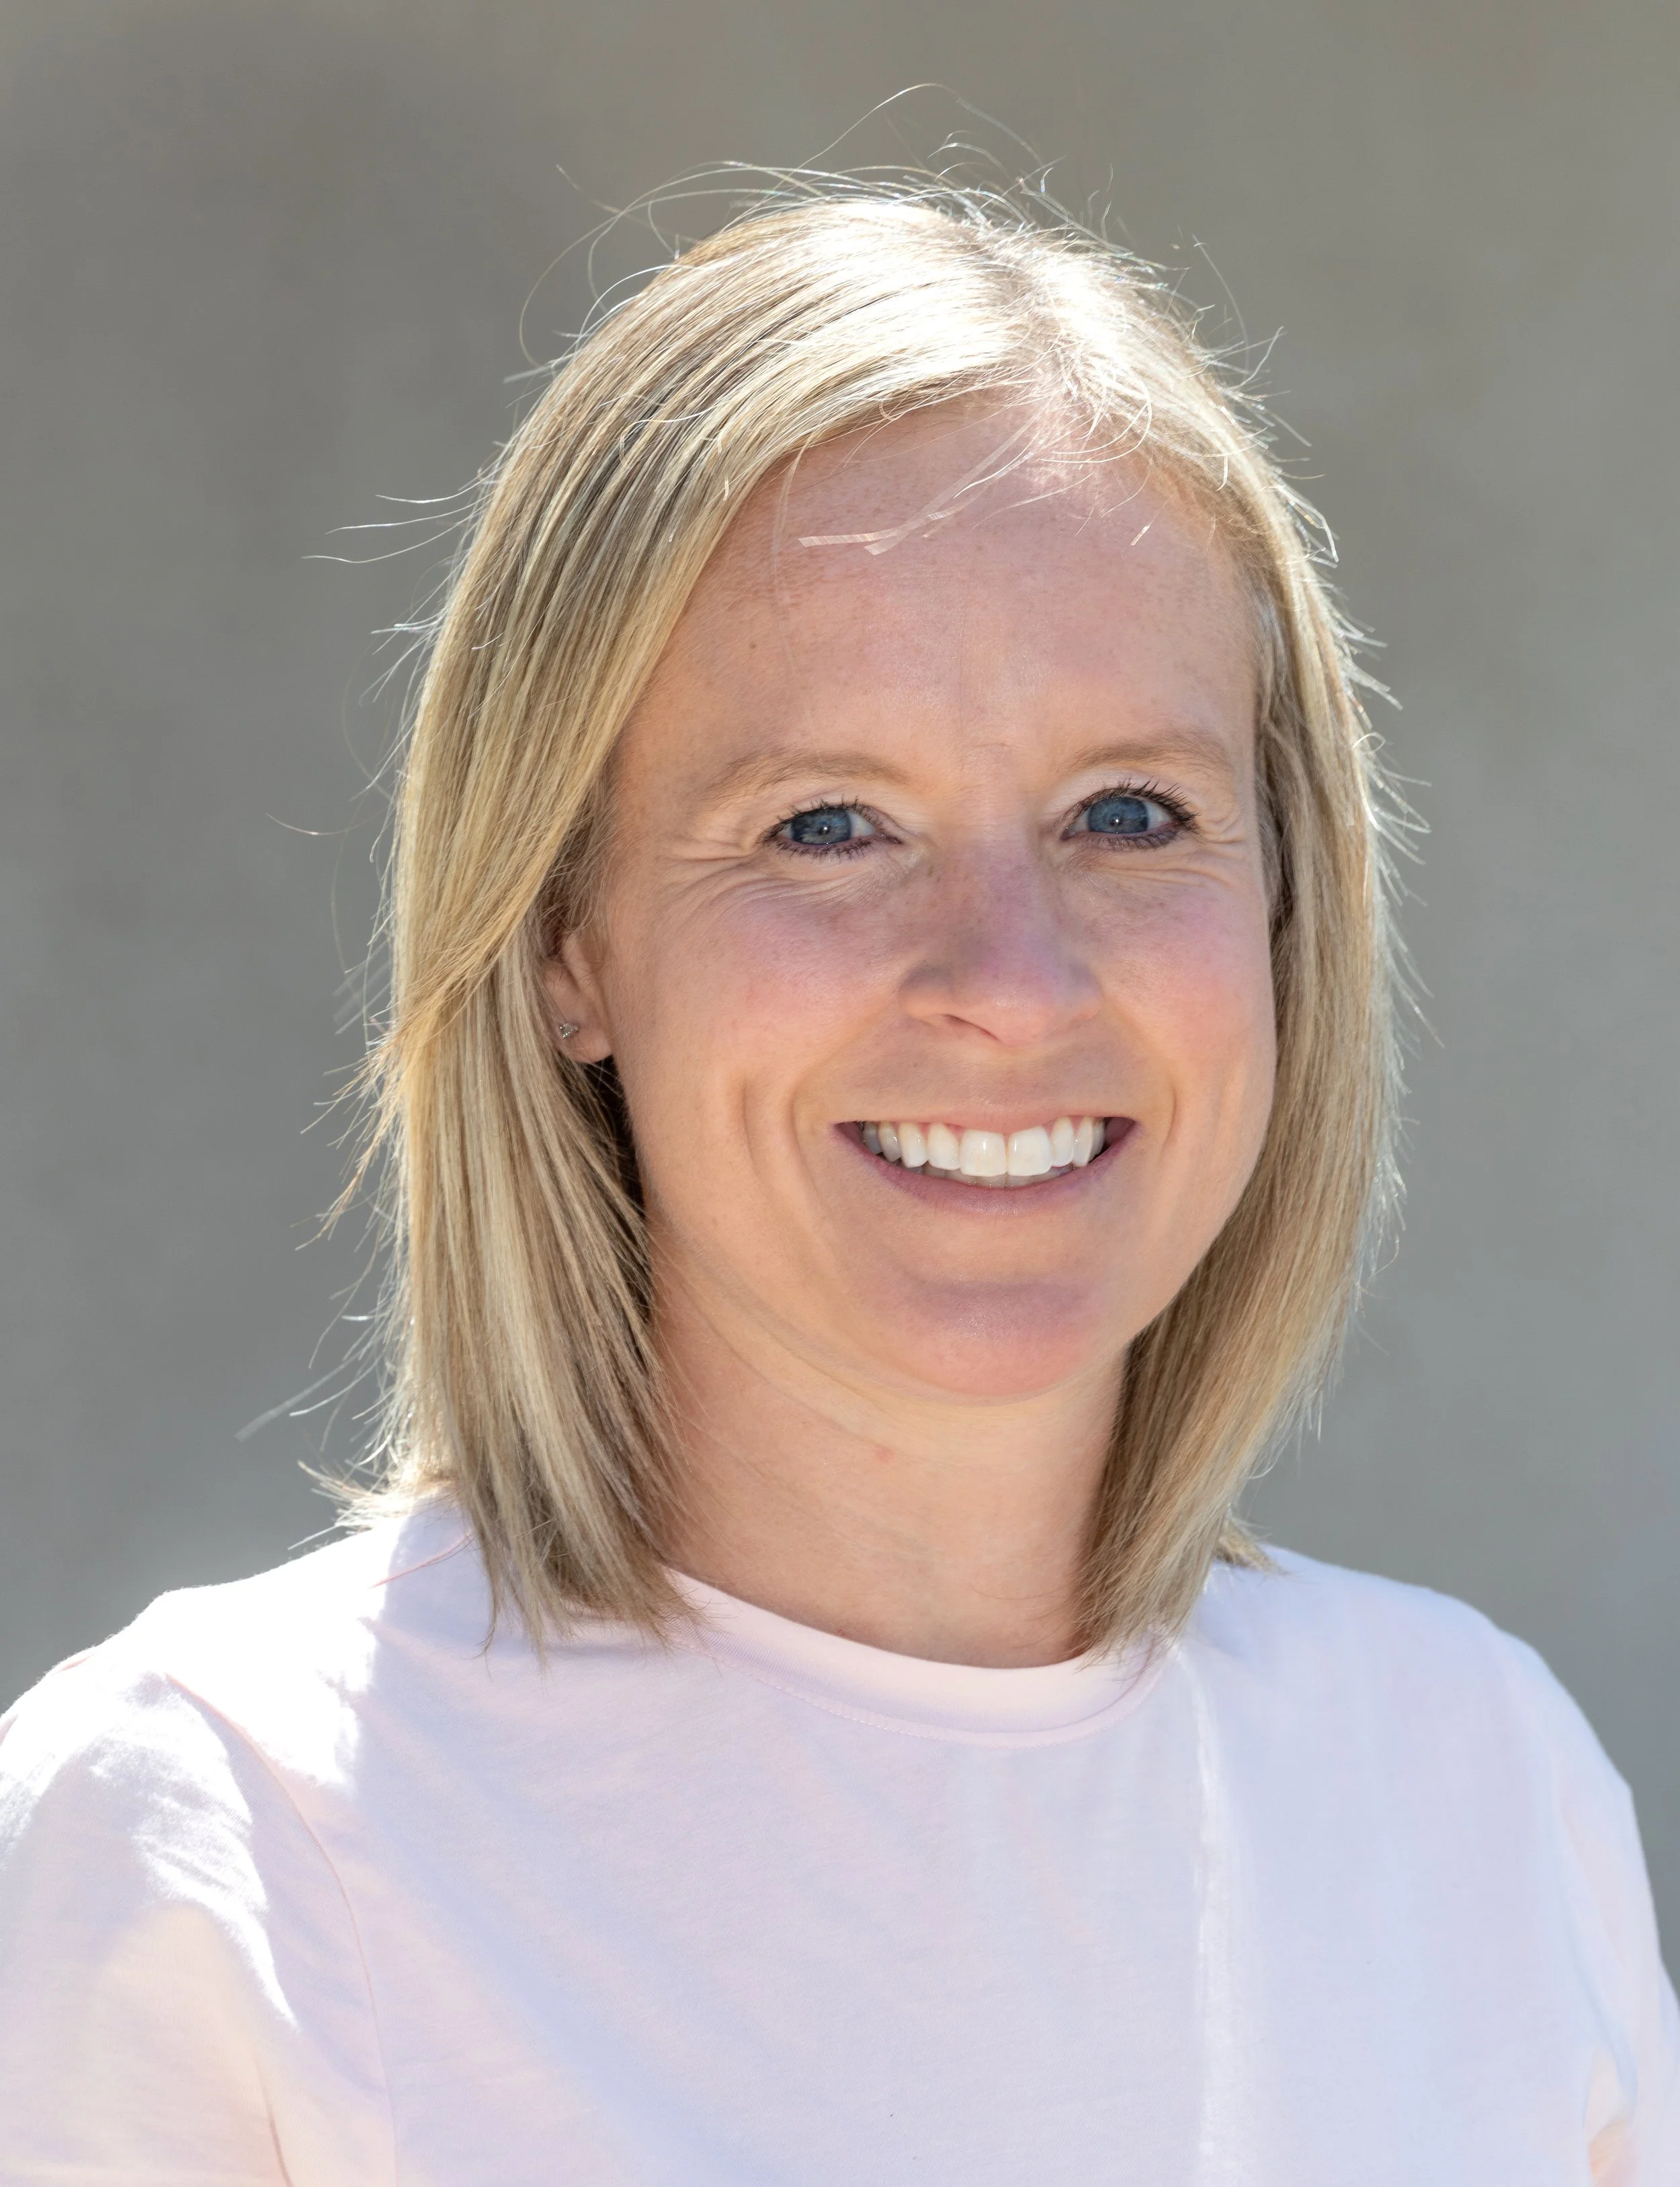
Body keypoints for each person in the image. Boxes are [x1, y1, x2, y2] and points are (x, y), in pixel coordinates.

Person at [1, 182, 1674, 2184]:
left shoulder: (1476, 1787)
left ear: (1285, 900)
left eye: (1126, 812)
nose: (1007, 978)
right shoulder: (210, 1832)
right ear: (566, 939)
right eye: (824, 823)